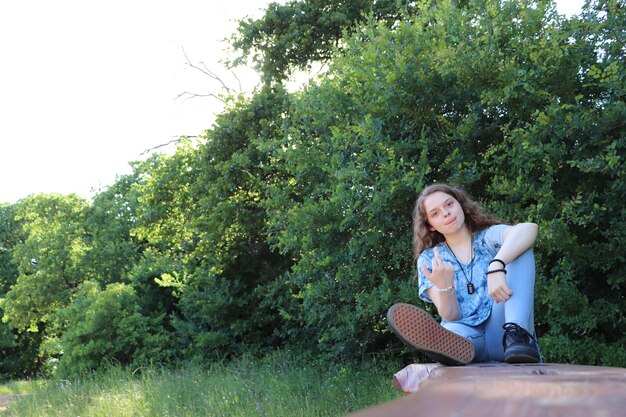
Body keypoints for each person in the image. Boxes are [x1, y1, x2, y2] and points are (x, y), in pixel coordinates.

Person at [387, 183, 541, 365]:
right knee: (453, 329)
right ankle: (445, 347)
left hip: (503, 333)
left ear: (460, 204)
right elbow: (451, 315)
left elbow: (528, 229)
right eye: (435, 213)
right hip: (466, 337)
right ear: (431, 226)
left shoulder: (488, 237)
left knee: (519, 249)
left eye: (449, 204)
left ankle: (518, 335)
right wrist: (445, 286)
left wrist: (496, 265)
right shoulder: (430, 260)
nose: (445, 213)